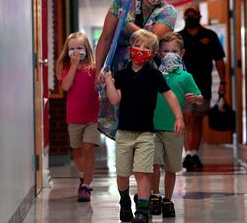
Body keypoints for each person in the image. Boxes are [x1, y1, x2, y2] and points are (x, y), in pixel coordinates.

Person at [104, 29, 184, 223]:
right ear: (131, 48)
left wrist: (178, 117)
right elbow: (115, 100)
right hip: (124, 133)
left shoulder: (154, 75)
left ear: (153, 53)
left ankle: (142, 210)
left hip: (146, 133)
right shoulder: (122, 74)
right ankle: (124, 202)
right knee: (123, 173)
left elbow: (169, 95)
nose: (141, 50)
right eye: (138, 46)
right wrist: (108, 80)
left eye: (147, 48)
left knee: (143, 172)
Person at [95, 0, 177, 136]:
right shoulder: (122, 2)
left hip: (146, 70)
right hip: (119, 68)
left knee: (143, 120)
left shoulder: (168, 12)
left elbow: (151, 39)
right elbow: (105, 38)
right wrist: (98, 71)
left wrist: (127, 23)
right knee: (119, 121)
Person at [150, 32, 203, 217]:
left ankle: (168, 200)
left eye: (174, 51)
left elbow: (200, 97)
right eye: (166, 51)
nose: (170, 54)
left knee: (172, 167)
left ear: (182, 53)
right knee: (154, 165)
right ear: (159, 53)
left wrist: (195, 98)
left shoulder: (186, 77)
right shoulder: (154, 74)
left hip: (175, 128)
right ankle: (155, 196)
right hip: (153, 127)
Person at [178, 3, 227, 171]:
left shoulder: (209, 35)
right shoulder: (178, 37)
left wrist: (223, 82)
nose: (191, 17)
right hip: (182, 85)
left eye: (194, 14)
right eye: (188, 15)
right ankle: (187, 155)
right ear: (184, 17)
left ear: (199, 16)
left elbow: (220, 60)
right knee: (187, 119)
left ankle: (194, 153)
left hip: (203, 85)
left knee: (197, 120)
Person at [56, 32, 100, 202]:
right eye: (72, 48)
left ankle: (86, 186)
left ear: (86, 49)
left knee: (88, 148)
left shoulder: (94, 67)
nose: (76, 51)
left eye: (79, 48)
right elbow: (66, 86)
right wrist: (74, 65)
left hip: (92, 116)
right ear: (66, 50)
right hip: (74, 117)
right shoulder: (65, 67)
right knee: (77, 150)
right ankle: (83, 176)